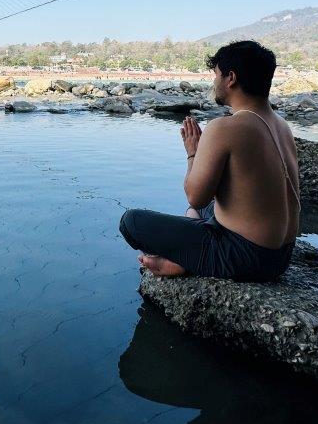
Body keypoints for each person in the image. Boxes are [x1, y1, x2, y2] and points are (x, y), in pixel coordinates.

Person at [119, 40, 300, 282]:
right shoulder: (282, 126)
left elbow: (195, 195)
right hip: (282, 256)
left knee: (131, 222)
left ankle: (182, 262)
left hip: (247, 258)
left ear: (230, 78)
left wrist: (193, 152)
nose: (214, 82)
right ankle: (191, 244)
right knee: (197, 211)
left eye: (216, 75)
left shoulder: (225, 127)